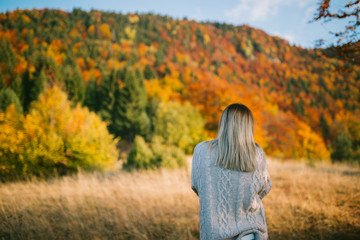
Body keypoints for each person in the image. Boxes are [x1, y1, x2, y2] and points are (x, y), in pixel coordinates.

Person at [191, 103, 272, 240]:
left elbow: (197, 186)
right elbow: (264, 188)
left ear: (224, 123)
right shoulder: (256, 153)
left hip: (213, 234)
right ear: (248, 126)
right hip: (249, 234)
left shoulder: (201, 151)